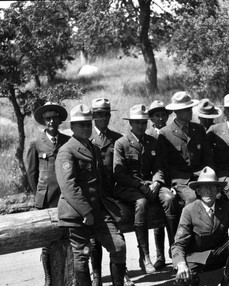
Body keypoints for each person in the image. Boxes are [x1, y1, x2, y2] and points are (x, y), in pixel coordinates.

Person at [55, 104, 127, 286]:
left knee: (119, 246)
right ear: (72, 127)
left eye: (88, 124)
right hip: (78, 215)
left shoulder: (93, 148)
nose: (86, 128)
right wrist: (85, 211)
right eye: (81, 125)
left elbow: (101, 181)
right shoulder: (67, 151)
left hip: (99, 210)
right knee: (82, 256)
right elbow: (68, 186)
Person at [113, 105, 180, 274]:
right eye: (137, 122)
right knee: (141, 204)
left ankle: (175, 249)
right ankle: (145, 256)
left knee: (170, 199)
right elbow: (119, 173)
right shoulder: (121, 143)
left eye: (143, 122)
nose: (141, 126)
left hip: (151, 185)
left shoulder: (152, 142)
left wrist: (157, 182)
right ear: (131, 123)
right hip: (129, 187)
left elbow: (159, 167)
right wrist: (141, 186)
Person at [172, 166, 229, 286]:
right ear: (198, 191)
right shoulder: (189, 210)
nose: (208, 191)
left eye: (212, 187)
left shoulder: (225, 207)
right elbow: (178, 244)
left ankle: (226, 282)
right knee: (182, 279)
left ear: (218, 190)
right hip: (198, 258)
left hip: (219, 253)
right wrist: (181, 265)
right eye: (204, 187)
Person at [26, 102, 70, 285]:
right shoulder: (36, 143)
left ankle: (69, 276)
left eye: (54, 117)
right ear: (43, 121)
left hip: (65, 195)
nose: (51, 121)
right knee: (46, 241)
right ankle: (48, 276)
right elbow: (31, 173)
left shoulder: (67, 141)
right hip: (45, 197)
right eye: (48, 118)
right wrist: (38, 194)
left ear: (59, 119)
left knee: (67, 236)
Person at [89, 98, 125, 285]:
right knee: (95, 239)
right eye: (99, 114)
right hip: (94, 196)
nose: (104, 118)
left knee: (117, 235)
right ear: (93, 117)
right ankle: (96, 275)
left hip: (113, 194)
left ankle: (120, 274)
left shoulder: (118, 138)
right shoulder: (86, 139)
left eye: (107, 114)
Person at [157, 91, 214, 205]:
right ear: (176, 111)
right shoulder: (165, 133)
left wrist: (210, 175)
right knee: (191, 199)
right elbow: (163, 164)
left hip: (200, 176)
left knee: (215, 195)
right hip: (180, 180)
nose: (190, 112)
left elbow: (208, 157)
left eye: (191, 108)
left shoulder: (198, 129)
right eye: (186, 109)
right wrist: (169, 185)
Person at [148, 99, 174, 270]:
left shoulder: (170, 133)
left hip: (169, 179)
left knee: (172, 214)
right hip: (152, 180)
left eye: (162, 115)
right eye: (156, 115)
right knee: (156, 220)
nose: (160, 118)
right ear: (151, 118)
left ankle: (175, 249)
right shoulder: (148, 134)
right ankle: (159, 255)